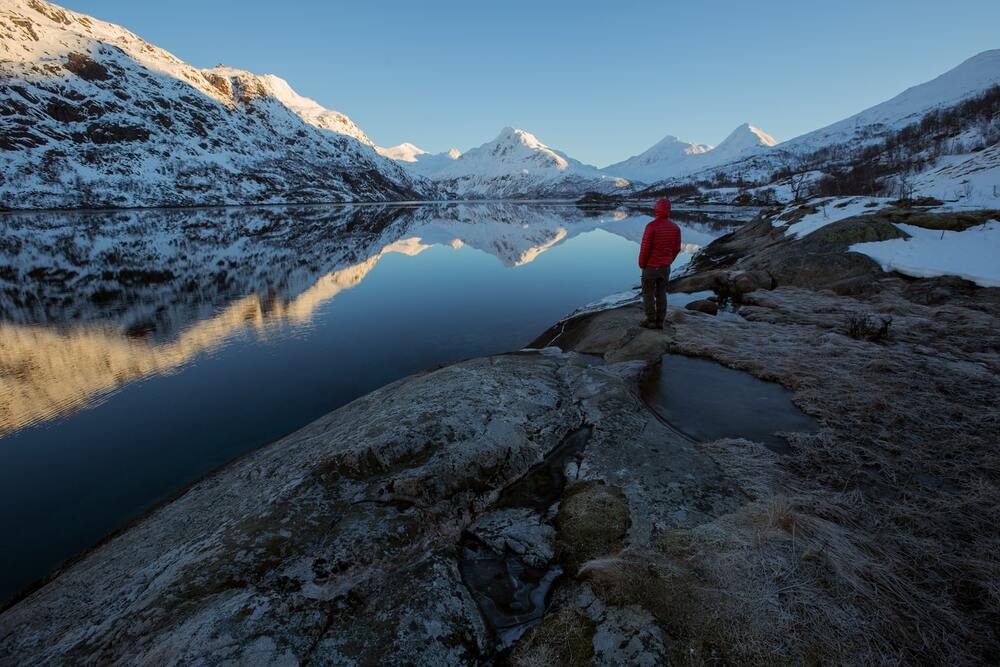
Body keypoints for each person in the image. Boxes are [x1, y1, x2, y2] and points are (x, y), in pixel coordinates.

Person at [637, 198, 681, 329]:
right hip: (665, 267)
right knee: (661, 293)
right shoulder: (675, 228)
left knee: (648, 293)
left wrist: (642, 264)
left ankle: (651, 320)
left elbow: (645, 248)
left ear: (656, 209)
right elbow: (677, 249)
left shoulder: (651, 226)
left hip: (650, 267)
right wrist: (668, 261)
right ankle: (660, 321)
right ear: (669, 210)